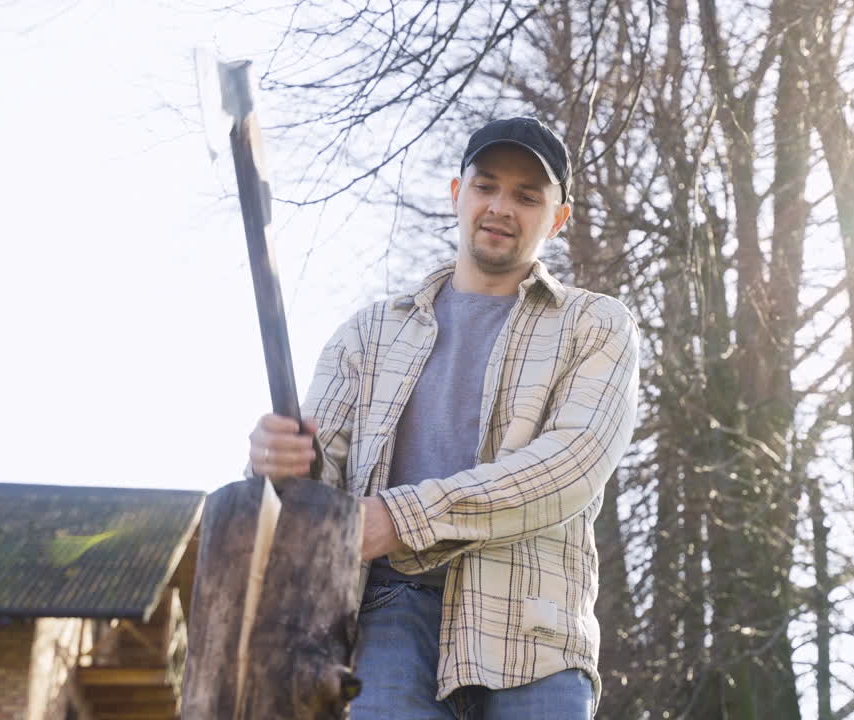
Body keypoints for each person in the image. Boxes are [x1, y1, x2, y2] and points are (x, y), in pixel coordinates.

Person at [246, 117, 639, 720]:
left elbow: (569, 467)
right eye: (486, 186)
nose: (501, 207)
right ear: (459, 195)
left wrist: (399, 519)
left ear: (557, 219)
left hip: (533, 623)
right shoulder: (368, 334)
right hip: (388, 619)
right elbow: (312, 496)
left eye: (527, 196)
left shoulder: (595, 325)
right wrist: (275, 467)